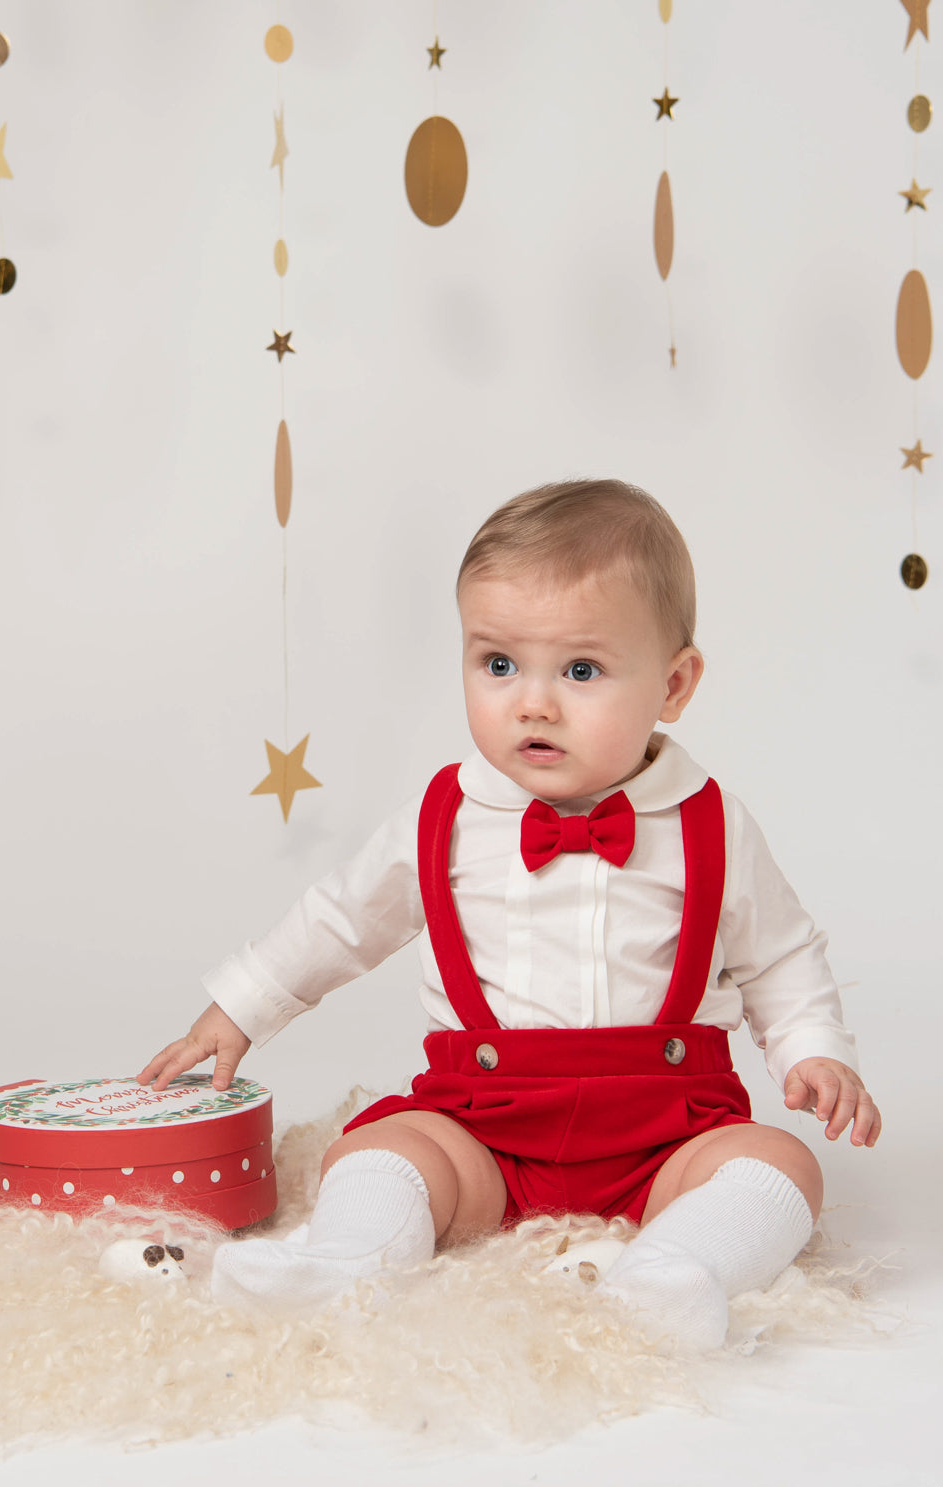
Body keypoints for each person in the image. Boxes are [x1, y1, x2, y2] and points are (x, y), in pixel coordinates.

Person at [138, 479, 881, 1350]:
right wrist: (242, 1006)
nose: (533, 703)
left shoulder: (710, 822)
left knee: (779, 1168)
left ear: (674, 685)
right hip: (484, 1126)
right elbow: (341, 921)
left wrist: (816, 1052)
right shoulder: (442, 816)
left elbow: (781, 955)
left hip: (668, 1135)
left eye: (581, 671)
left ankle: (678, 1273)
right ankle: (343, 1261)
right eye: (498, 665)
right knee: (388, 1152)